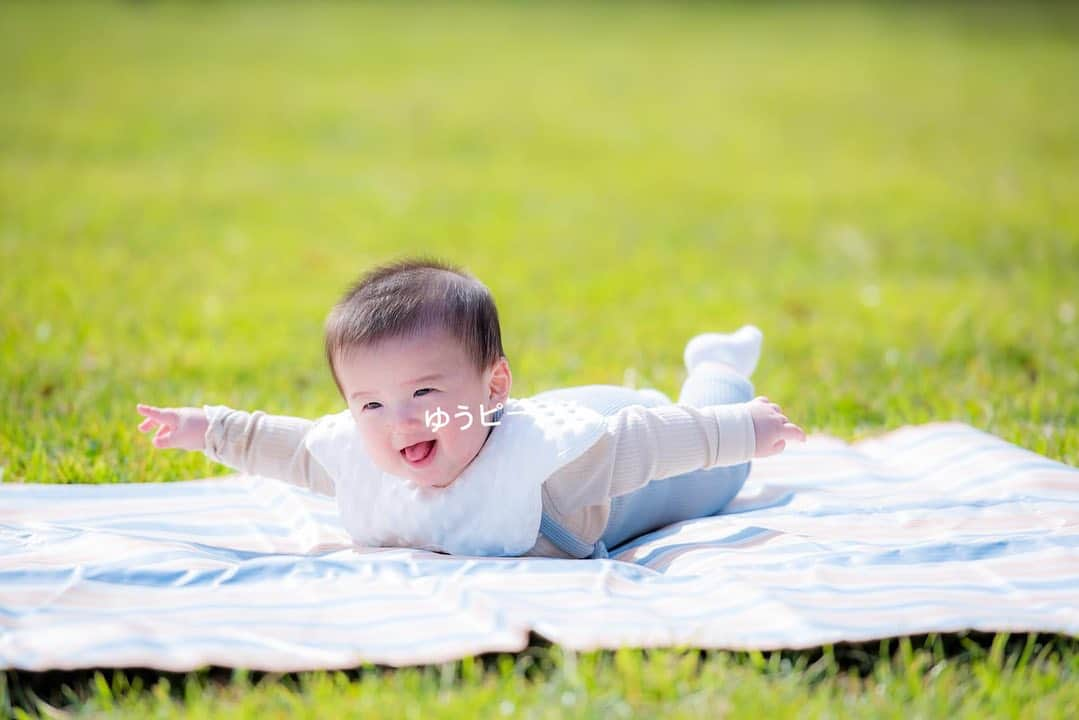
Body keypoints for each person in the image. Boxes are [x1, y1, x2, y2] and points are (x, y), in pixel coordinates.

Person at [136, 256, 805, 559]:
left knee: (716, 478)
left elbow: (645, 443)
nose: (399, 422)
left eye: (425, 393)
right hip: (549, 408)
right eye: (369, 402)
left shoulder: (553, 465)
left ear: (492, 385)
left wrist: (736, 430)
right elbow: (293, 447)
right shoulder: (372, 451)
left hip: (615, 437)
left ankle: (715, 367)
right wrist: (206, 428)